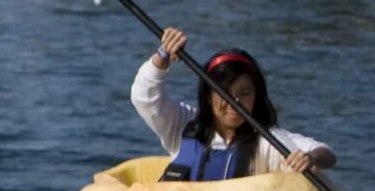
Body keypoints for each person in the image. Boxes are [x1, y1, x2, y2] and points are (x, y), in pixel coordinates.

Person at [134, 28, 332, 180]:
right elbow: (144, 97)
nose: (234, 102)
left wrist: (310, 159)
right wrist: (163, 55)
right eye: (224, 93)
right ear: (209, 97)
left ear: (256, 96)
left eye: (245, 93)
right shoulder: (183, 124)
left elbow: (324, 152)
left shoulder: (267, 142)